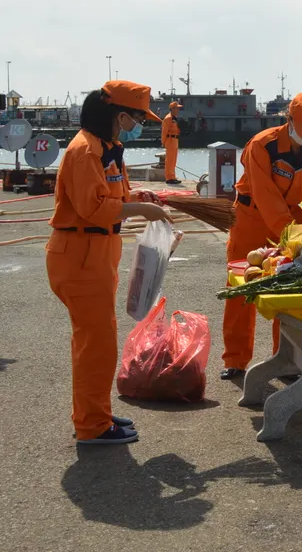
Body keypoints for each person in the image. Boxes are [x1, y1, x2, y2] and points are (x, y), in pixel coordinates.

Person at [47, 80, 172, 445]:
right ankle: (93, 426)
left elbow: (111, 194)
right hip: (81, 256)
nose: (140, 125)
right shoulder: (86, 151)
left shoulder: (106, 148)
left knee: (96, 342)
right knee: (96, 345)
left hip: (95, 254)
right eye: (138, 118)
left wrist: (137, 196)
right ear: (120, 116)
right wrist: (142, 209)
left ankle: (95, 411)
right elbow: (93, 208)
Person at [219, 92, 302, 380]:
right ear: (288, 120)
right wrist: (294, 238)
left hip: (290, 220)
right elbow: (266, 197)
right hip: (251, 218)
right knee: (242, 287)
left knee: (288, 291)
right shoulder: (262, 146)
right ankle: (235, 359)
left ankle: (286, 358)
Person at [161, 101, 182, 185]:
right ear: (172, 109)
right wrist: (163, 142)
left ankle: (172, 176)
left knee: (173, 160)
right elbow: (164, 131)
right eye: (177, 108)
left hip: (175, 140)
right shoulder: (168, 118)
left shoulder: (175, 118)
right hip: (170, 140)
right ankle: (169, 178)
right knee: (170, 160)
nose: (178, 110)